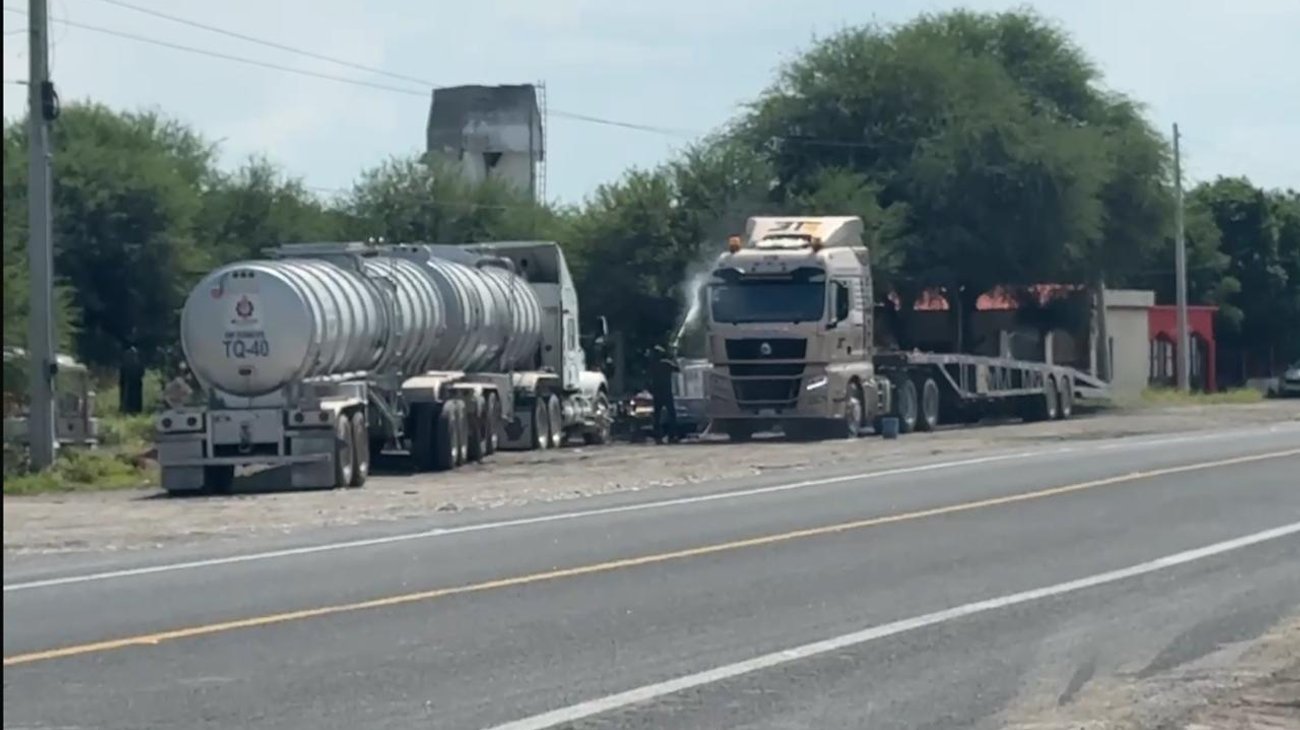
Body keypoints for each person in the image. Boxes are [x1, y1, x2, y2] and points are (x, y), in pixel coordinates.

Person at [648, 345, 681, 444]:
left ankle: (657, 436)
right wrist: (673, 358)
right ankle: (672, 435)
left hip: (657, 393)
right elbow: (678, 369)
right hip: (666, 393)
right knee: (672, 414)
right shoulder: (667, 364)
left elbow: (648, 379)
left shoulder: (652, 365)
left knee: (657, 415)